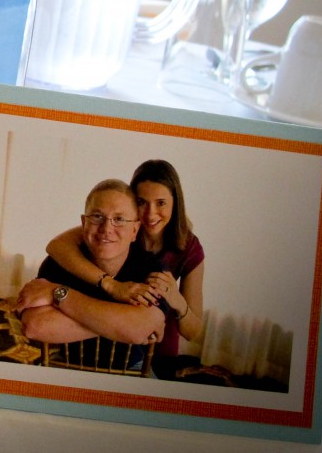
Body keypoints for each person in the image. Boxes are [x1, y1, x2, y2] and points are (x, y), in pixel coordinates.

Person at [44, 160, 204, 379]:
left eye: (161, 203)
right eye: (141, 202)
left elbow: (193, 331)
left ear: (176, 204)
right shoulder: (114, 232)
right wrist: (110, 286)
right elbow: (56, 246)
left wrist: (176, 300)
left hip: (158, 344)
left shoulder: (188, 247)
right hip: (105, 346)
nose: (150, 213)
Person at [16, 179, 167, 358]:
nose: (106, 228)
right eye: (97, 217)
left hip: (131, 372)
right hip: (65, 368)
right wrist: (123, 325)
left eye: (119, 219)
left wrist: (58, 293)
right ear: (83, 222)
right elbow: (36, 326)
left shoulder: (152, 269)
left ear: (135, 230)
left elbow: (147, 325)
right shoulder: (58, 262)